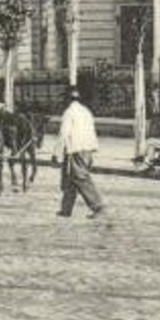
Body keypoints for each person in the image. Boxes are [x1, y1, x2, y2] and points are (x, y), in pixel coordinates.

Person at [56, 87, 108, 220]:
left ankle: (98, 206)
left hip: (76, 149)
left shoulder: (69, 112)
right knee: (72, 179)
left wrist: (56, 153)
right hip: (88, 149)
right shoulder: (86, 111)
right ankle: (66, 209)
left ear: (68, 99)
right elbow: (92, 130)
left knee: (81, 178)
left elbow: (64, 134)